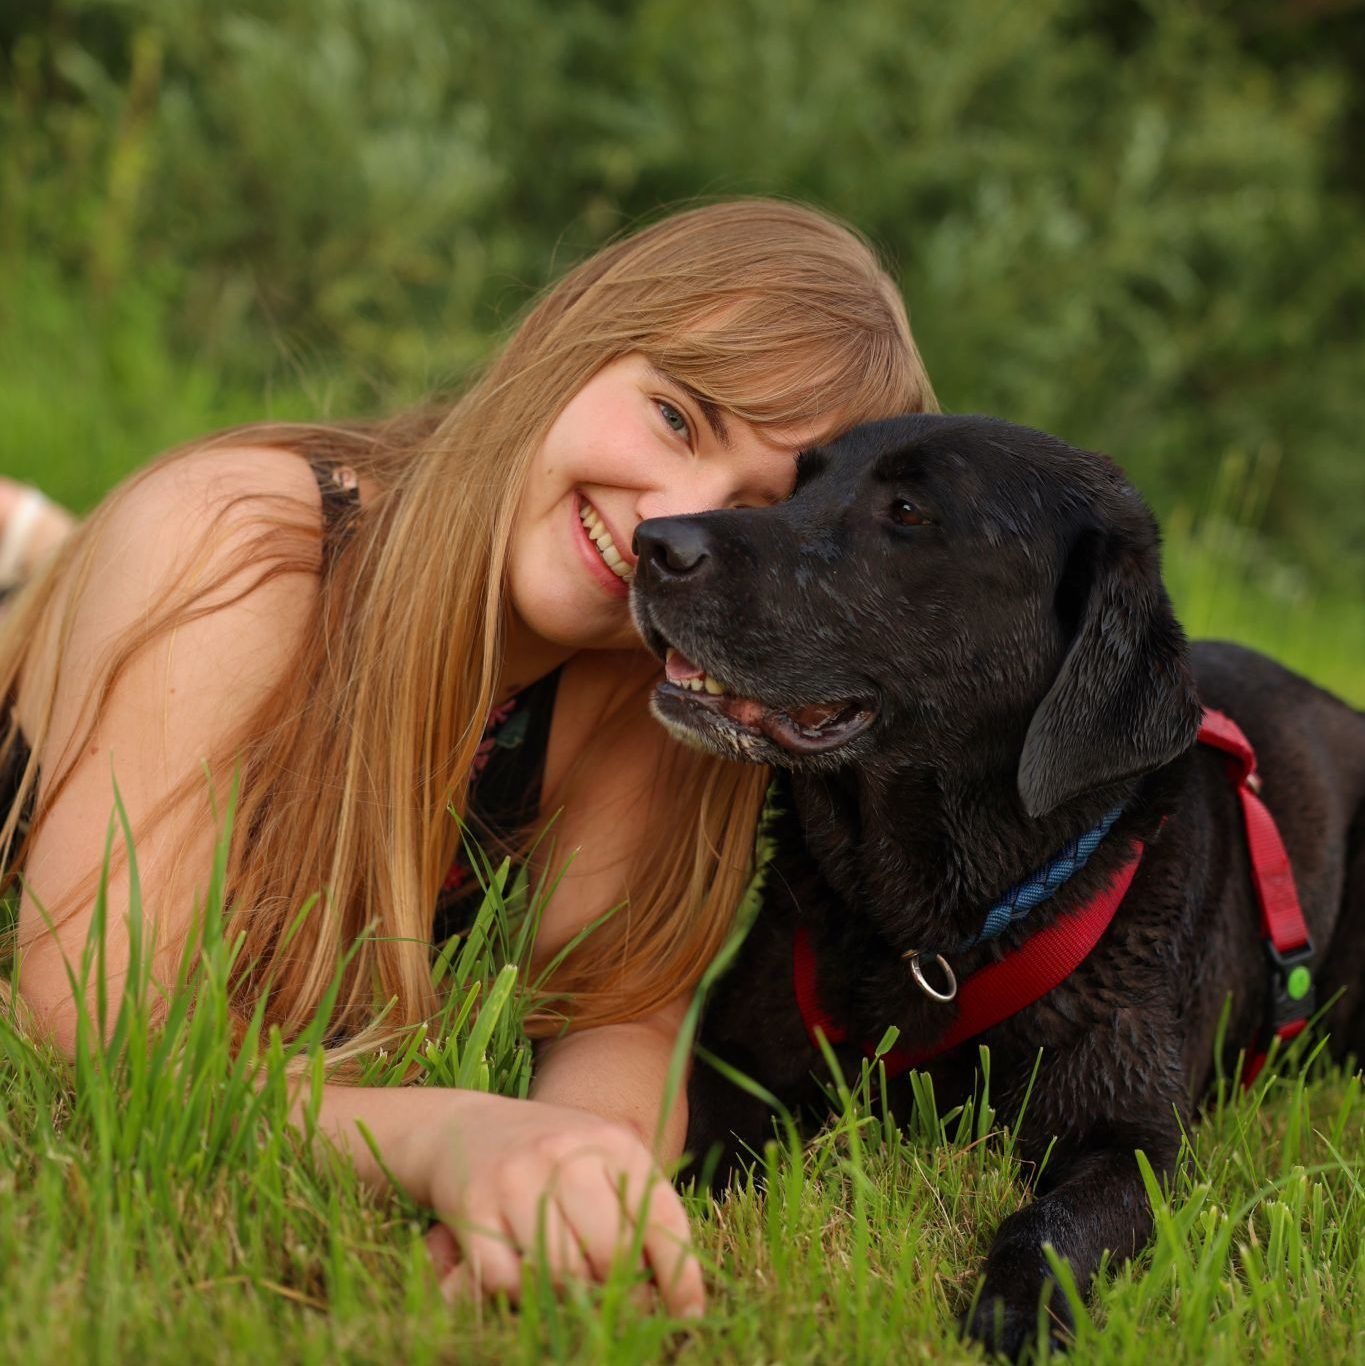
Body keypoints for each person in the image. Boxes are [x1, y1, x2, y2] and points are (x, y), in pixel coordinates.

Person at [0, 199, 936, 1313]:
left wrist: (572, 1179)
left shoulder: (644, 689)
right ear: (574, 339)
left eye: (751, 514)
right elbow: (91, 1024)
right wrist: (449, 1132)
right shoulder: (242, 550)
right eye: (678, 419)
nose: (672, 521)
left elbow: (618, 1010)